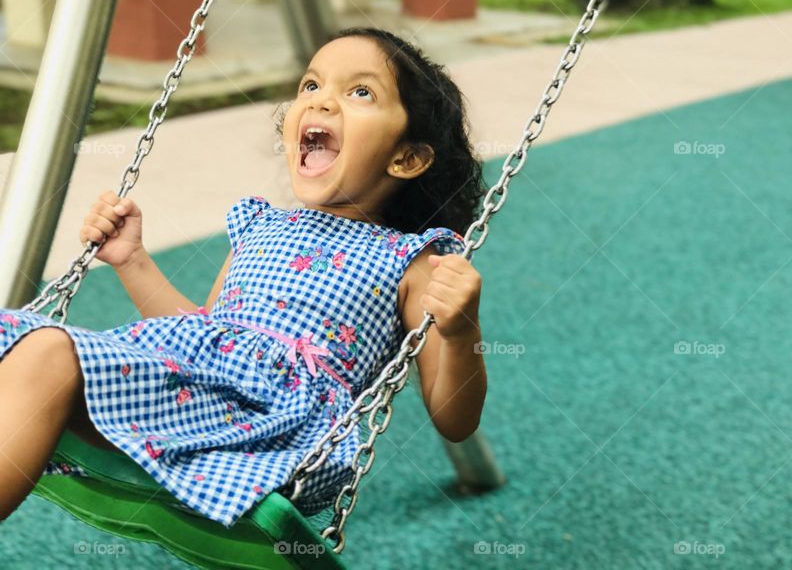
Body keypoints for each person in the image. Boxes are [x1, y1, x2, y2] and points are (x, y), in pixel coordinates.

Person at [0, 27, 489, 527]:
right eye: (311, 85)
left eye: (360, 92)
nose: (321, 103)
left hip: (278, 431)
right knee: (34, 351)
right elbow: (202, 336)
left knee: (46, 354)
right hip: (204, 397)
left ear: (406, 158)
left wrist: (460, 330)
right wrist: (133, 261)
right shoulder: (261, 226)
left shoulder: (411, 261)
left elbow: (455, 419)